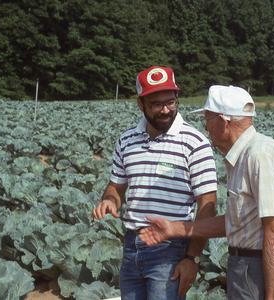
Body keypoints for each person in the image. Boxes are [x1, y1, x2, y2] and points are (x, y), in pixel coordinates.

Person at [139, 85, 274, 300]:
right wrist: (174, 228)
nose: (206, 127)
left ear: (224, 122)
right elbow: (237, 222)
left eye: (208, 119)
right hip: (248, 268)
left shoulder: (260, 156)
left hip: (261, 269)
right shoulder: (245, 156)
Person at [92, 66, 218, 300]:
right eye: (156, 104)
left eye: (170, 102)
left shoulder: (195, 143)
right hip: (132, 246)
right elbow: (116, 187)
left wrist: (192, 258)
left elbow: (208, 204)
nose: (165, 110)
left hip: (170, 250)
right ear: (141, 104)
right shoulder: (126, 140)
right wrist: (110, 200)